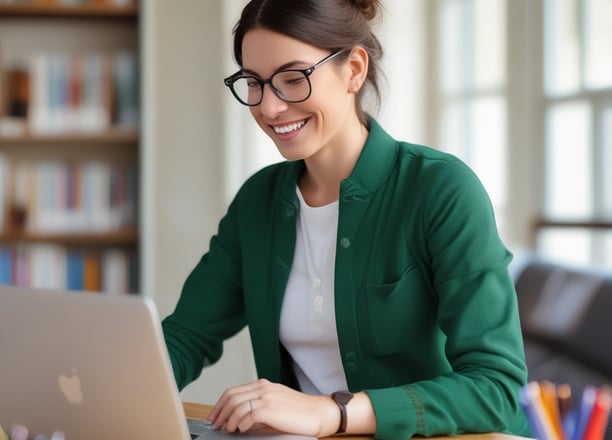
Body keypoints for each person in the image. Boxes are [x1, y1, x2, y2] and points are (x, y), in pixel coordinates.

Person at [162, 0, 530, 438]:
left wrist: (330, 412)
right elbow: (186, 336)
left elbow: (496, 385)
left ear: (354, 69)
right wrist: (104, 392)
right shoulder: (257, 200)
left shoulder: (441, 189)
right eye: (254, 83)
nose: (270, 107)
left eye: (293, 79)